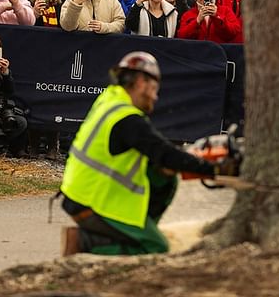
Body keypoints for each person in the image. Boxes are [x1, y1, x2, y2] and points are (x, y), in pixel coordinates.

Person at [59, 51, 231, 255]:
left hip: (82, 192)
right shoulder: (127, 119)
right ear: (141, 82)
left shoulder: (109, 100)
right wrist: (215, 169)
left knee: (163, 175)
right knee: (156, 246)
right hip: (91, 201)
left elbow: (161, 155)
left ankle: (139, 229)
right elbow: (165, 152)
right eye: (154, 88)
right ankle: (84, 243)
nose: (156, 97)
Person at [177, 0, 243, 43]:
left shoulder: (225, 11)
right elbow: (181, 36)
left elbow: (235, 32)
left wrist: (217, 17)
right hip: (196, 51)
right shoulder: (188, 15)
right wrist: (197, 21)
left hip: (219, 51)